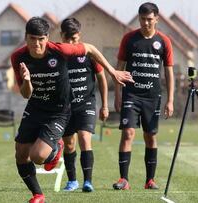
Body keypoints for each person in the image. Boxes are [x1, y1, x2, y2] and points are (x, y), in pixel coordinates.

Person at [11, 17, 133, 203]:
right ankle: (38, 195)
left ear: (47, 38)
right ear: (26, 37)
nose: (37, 43)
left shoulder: (60, 50)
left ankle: (56, 147)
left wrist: (113, 72)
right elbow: (26, 94)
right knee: (20, 152)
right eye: (32, 38)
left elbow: (90, 49)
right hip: (35, 107)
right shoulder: (18, 57)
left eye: (41, 39)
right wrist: (27, 80)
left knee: (37, 157)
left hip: (59, 111)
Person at [112, 2, 174, 190]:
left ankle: (150, 180)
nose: (146, 23)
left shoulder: (164, 41)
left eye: (149, 19)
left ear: (156, 19)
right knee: (128, 133)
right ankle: (124, 179)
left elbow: (169, 72)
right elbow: (119, 70)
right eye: (142, 19)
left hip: (152, 97)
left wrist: (170, 100)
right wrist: (117, 95)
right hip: (131, 94)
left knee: (150, 136)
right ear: (138, 18)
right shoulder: (129, 39)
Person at [60, 18, 109, 192]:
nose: (72, 43)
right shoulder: (59, 55)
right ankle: (72, 181)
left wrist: (104, 106)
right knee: (69, 144)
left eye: (75, 39)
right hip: (66, 107)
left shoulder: (88, 53)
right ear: (62, 36)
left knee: (84, 137)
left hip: (86, 103)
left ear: (79, 36)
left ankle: (88, 182)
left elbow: (102, 79)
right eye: (68, 40)